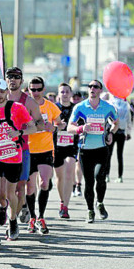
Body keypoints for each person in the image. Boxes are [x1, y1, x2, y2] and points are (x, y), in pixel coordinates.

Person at [0, 79, 36, 242]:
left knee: (10, 193)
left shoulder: (17, 108)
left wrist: (19, 133)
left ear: (7, 92)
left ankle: (13, 219)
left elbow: (33, 127)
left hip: (13, 156)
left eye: (1, 91)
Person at [67, 80, 119, 223]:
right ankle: (90, 210)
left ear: (100, 90)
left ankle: (100, 203)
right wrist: (81, 129)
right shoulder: (80, 107)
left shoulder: (108, 107)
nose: (92, 89)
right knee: (89, 182)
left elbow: (116, 122)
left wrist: (111, 133)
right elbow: (69, 128)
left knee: (100, 177)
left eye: (95, 87)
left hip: (102, 149)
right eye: (90, 86)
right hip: (85, 150)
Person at [5, 67, 44, 225]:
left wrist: (24, 129)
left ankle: (12, 220)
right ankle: (4, 209)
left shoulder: (28, 101)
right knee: (1, 191)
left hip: (22, 150)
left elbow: (40, 123)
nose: (12, 80)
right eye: (10, 77)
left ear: (21, 81)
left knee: (20, 188)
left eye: (16, 77)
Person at [26, 77, 62, 234]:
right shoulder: (24, 106)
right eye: (32, 90)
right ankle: (32, 217)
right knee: (30, 187)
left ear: (43, 90)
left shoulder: (50, 106)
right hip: (28, 150)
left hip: (45, 149)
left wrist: (53, 127)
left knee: (45, 183)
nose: (35, 93)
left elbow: (61, 123)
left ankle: (40, 217)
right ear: (28, 90)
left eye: (38, 89)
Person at [54, 83, 79, 219]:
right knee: (60, 176)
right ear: (59, 94)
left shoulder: (76, 109)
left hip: (71, 145)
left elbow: (81, 124)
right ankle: (61, 200)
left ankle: (65, 206)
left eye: (66, 92)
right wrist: (57, 126)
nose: (64, 94)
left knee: (69, 171)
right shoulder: (54, 108)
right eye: (62, 92)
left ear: (70, 94)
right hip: (57, 146)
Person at [105, 94, 132, 183]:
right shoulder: (125, 104)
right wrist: (128, 133)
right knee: (120, 155)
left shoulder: (110, 102)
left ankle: (107, 175)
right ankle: (120, 176)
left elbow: (107, 117)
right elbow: (129, 119)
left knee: (109, 154)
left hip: (112, 131)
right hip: (121, 131)